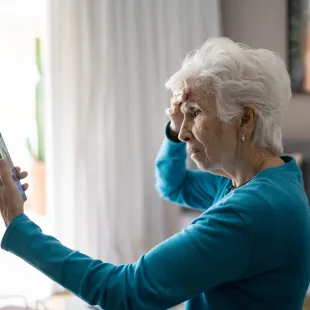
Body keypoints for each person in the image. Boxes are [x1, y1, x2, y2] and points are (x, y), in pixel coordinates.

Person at [0, 37, 309, 310]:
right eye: (182, 117)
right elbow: (173, 185)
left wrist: (18, 223)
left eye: (196, 113)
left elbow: (124, 292)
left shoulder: (251, 212)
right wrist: (175, 128)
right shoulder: (264, 181)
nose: (184, 133)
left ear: (244, 120)